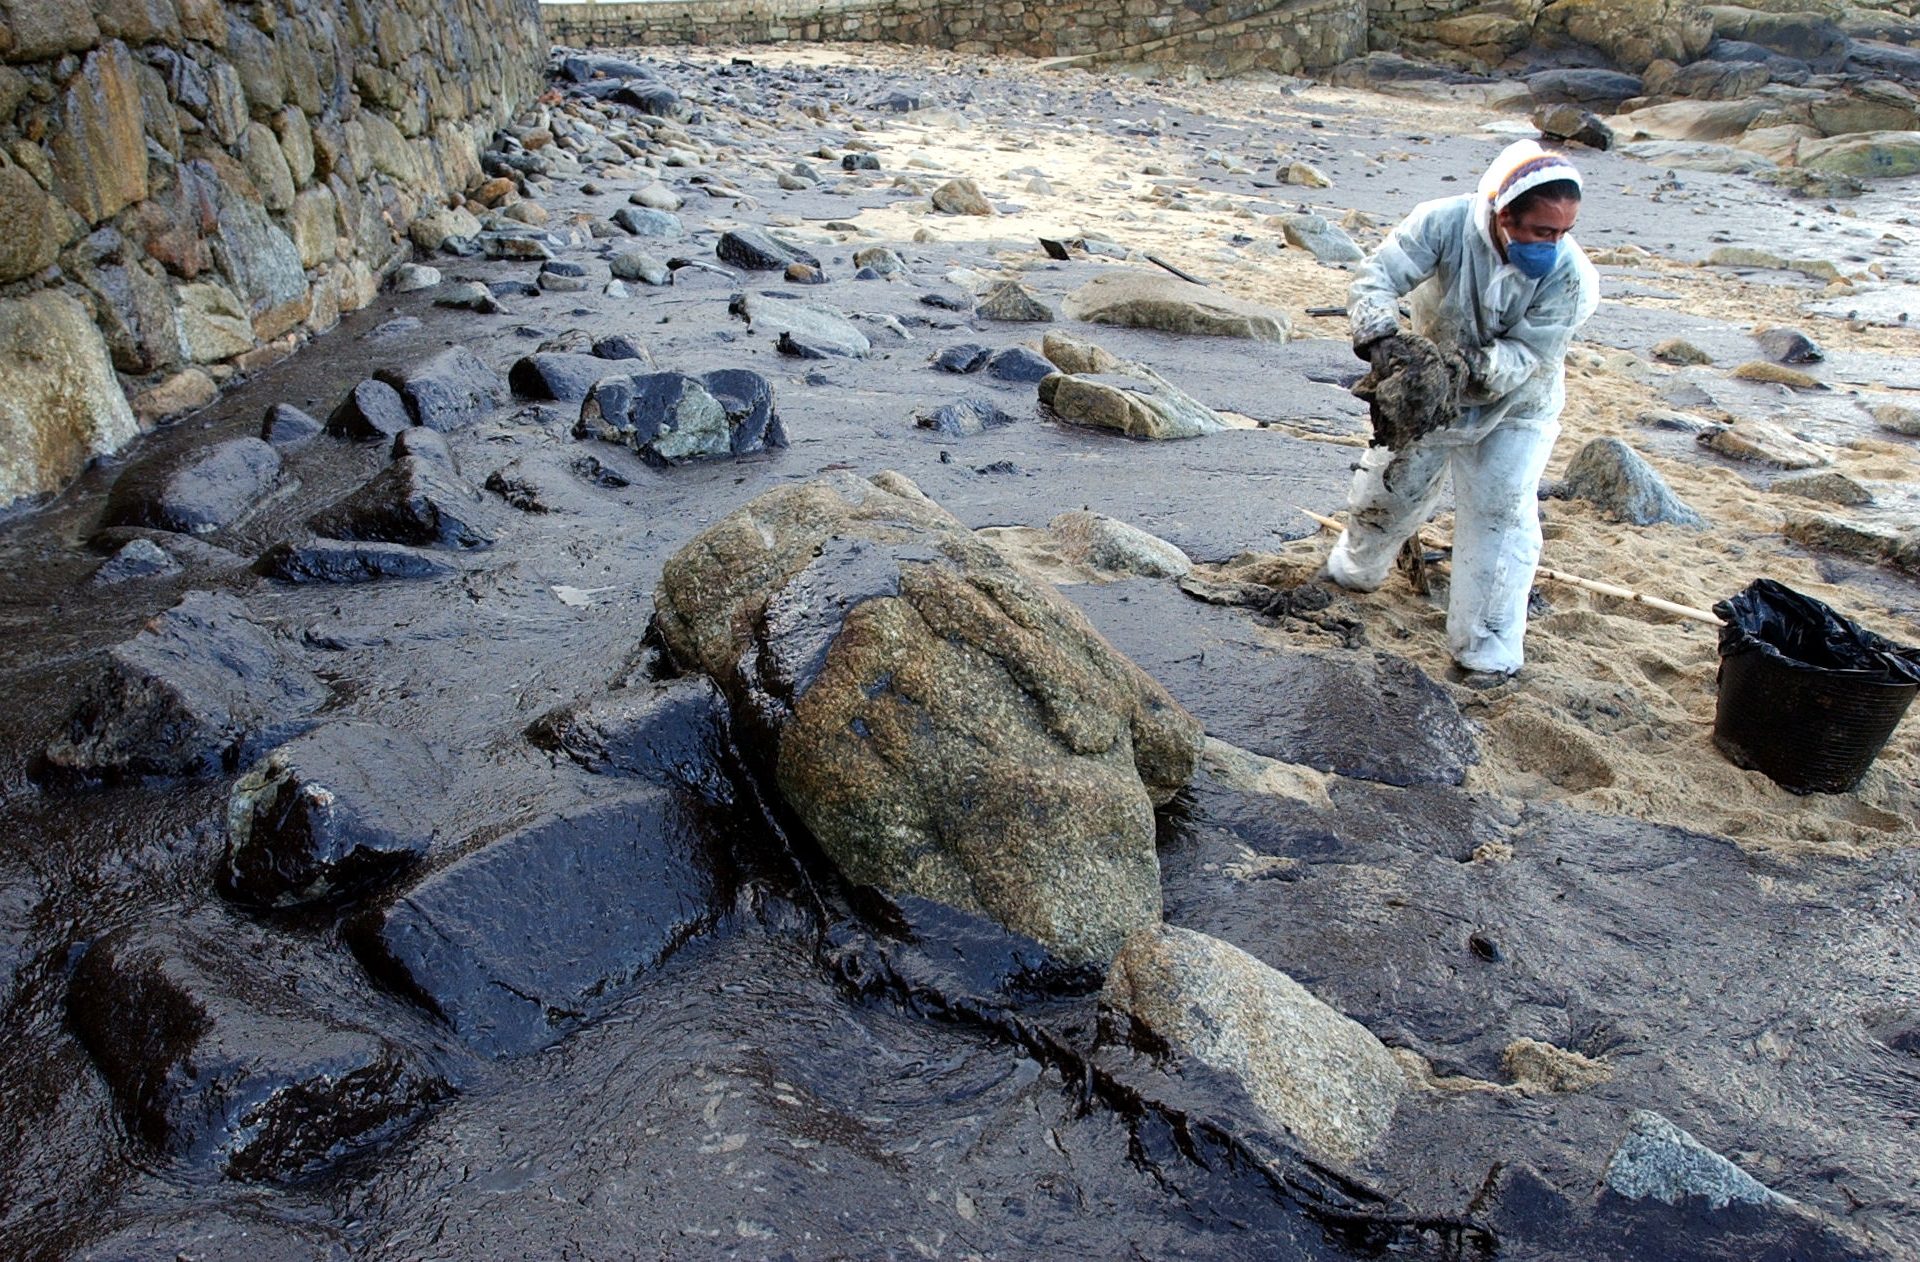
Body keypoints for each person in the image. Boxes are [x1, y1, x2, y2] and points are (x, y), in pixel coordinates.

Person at [1327, 139, 1601, 680]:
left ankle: (1486, 651)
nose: (1554, 243)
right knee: (1390, 490)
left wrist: (1463, 369)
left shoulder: (1572, 279)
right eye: (1543, 231)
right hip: (1428, 399)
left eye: (1564, 232)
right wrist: (1381, 340)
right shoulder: (1442, 224)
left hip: (1518, 406)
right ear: (1503, 214)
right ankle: (1353, 573)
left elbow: (1526, 355)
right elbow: (1376, 277)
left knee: (1501, 514)